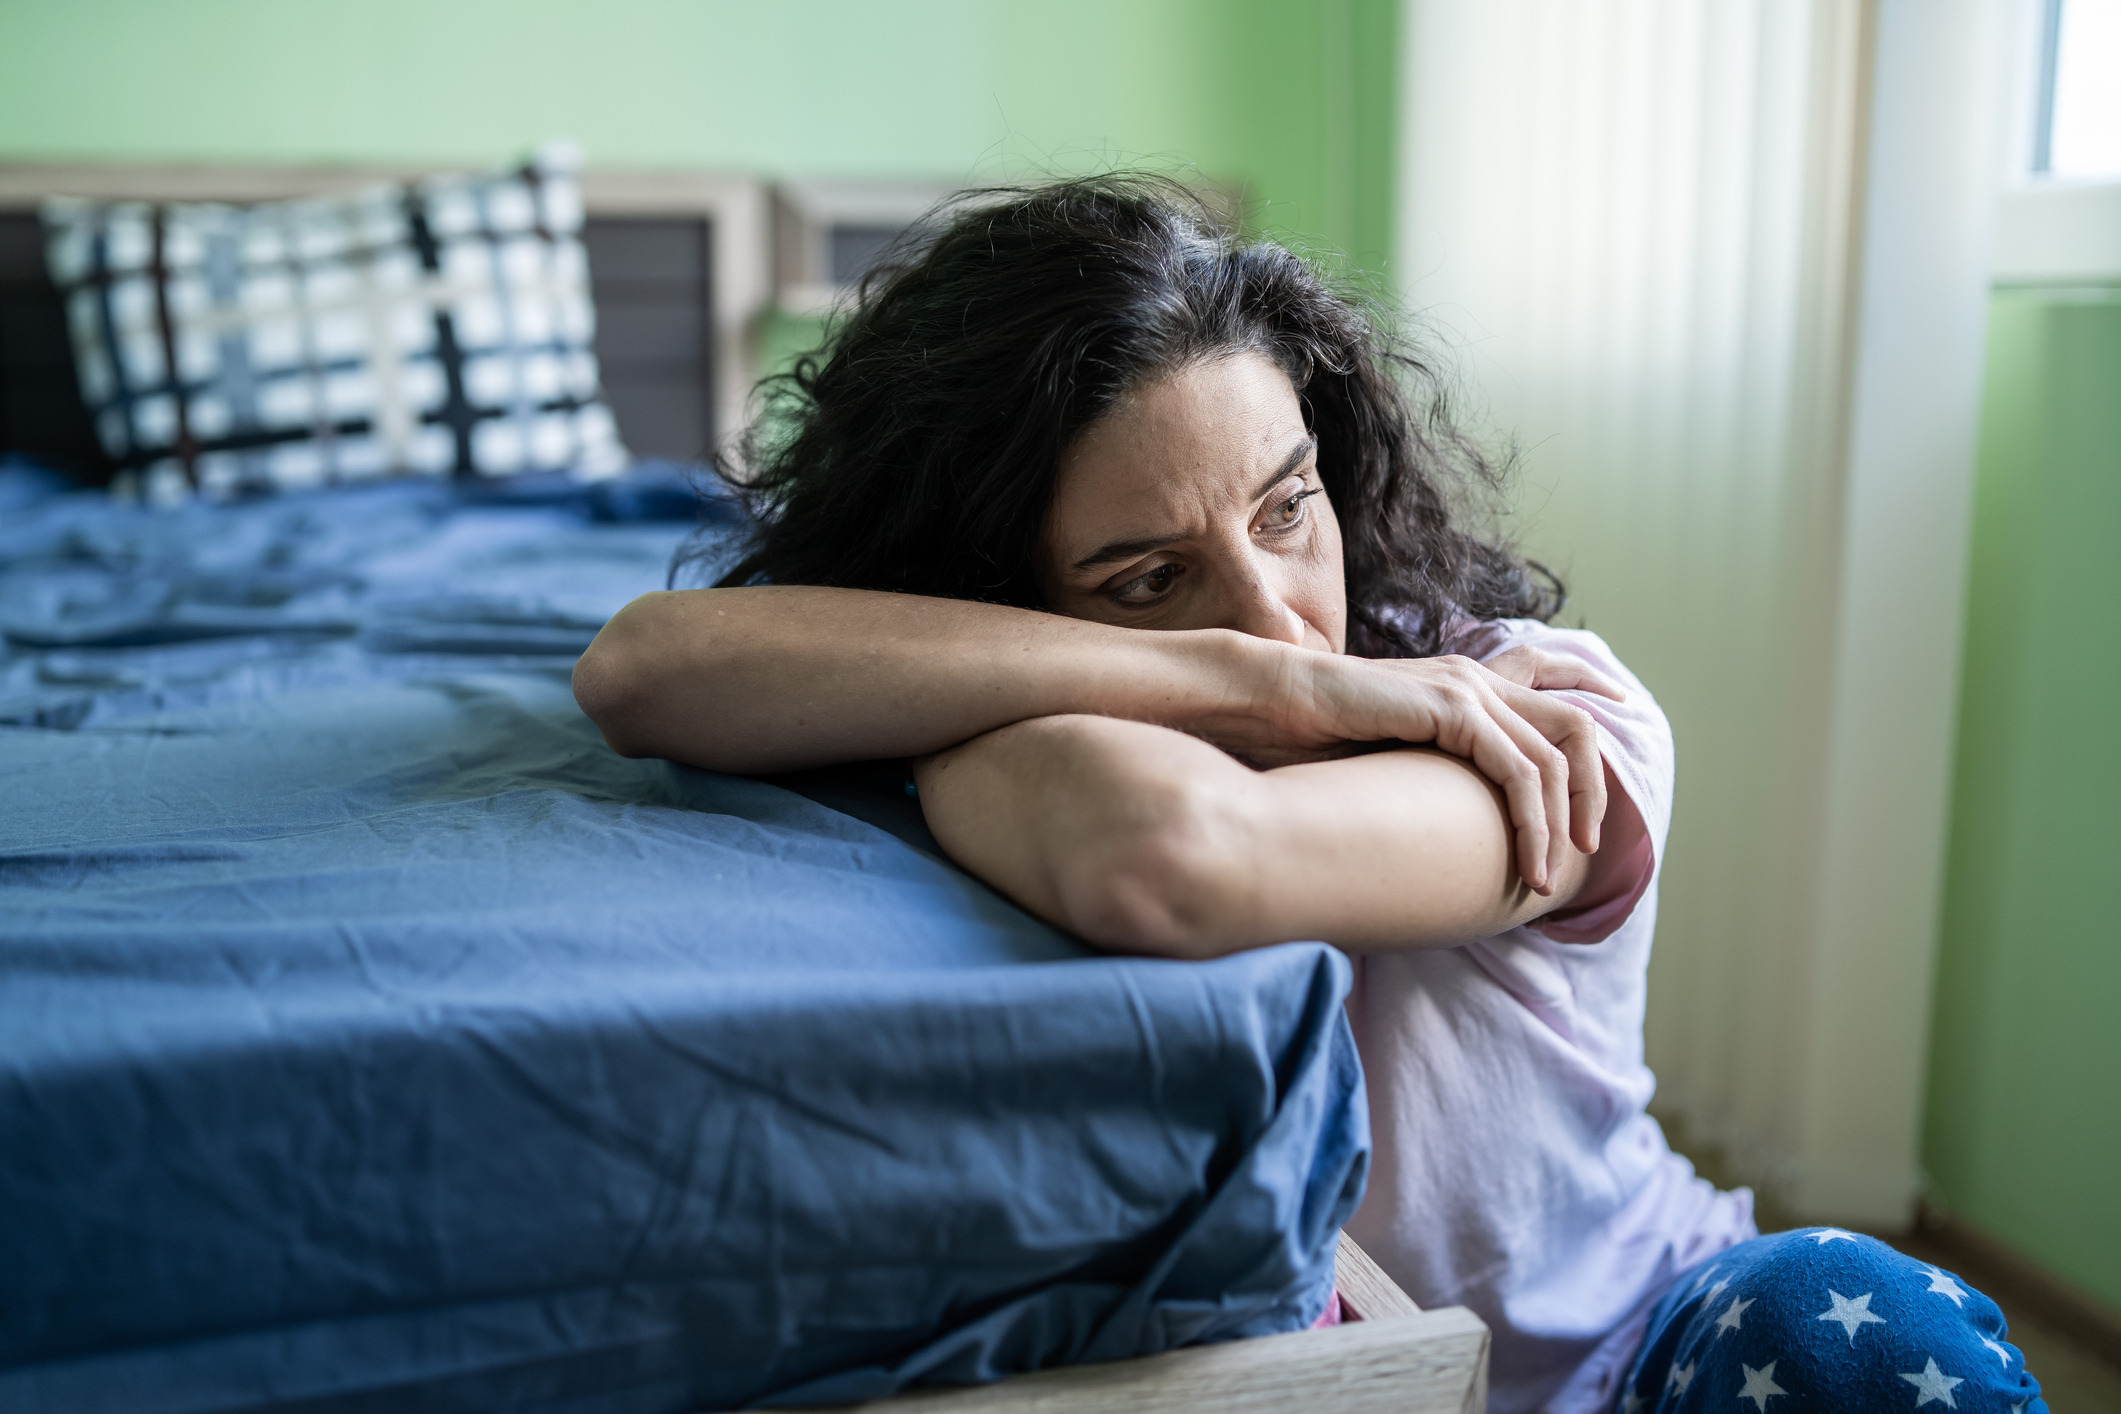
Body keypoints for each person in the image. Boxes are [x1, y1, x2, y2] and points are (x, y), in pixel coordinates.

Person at [573, 176, 2044, 1414]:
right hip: (1328, 1370)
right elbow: (644, 668)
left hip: (1647, 1349)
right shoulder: (1186, 692)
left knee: (1835, 1311)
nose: (1278, 618)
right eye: (1149, 578)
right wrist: (1273, 690)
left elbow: (1172, 851)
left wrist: (1156, 677)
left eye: (1288, 506)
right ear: (993, 592)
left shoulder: (1540, 716)